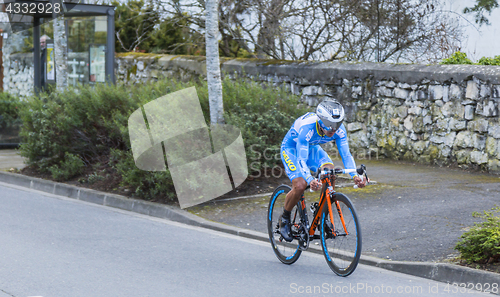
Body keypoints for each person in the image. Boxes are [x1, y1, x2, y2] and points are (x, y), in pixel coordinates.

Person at [279, 99, 367, 242]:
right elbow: (301, 160)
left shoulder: (339, 130)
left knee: (329, 173)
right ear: (321, 121)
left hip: (311, 148)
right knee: (300, 185)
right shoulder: (307, 128)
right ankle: (284, 218)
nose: (334, 129)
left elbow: (346, 155)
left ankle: (322, 214)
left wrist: (354, 175)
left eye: (337, 124)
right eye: (330, 125)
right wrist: (310, 179)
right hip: (292, 150)